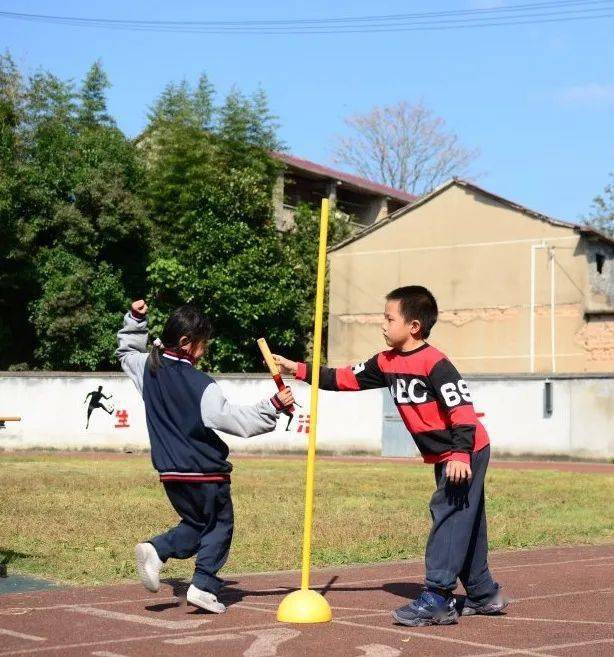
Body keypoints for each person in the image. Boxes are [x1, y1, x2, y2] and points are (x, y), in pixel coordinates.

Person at [273, 285, 508, 626]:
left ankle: (438, 599)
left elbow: (462, 410)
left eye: (388, 318)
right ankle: (484, 594)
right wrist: (299, 368)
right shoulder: (385, 362)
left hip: (465, 449)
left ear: (414, 326)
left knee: (449, 514)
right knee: (465, 521)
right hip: (446, 454)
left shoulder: (435, 362)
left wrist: (459, 454)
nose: (382, 325)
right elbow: (343, 378)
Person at [116, 299, 294, 613]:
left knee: (198, 524)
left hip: (170, 472)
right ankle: (203, 584)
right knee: (220, 526)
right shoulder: (201, 385)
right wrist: (274, 406)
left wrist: (135, 320)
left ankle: (157, 550)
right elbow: (235, 421)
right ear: (186, 343)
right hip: (205, 470)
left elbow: (127, 353)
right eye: (203, 343)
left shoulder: (148, 368)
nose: (205, 349)